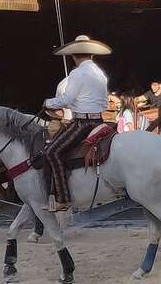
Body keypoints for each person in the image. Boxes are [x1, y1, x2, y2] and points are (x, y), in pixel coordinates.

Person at [43, 35, 111, 212]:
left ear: (73, 55)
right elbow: (104, 102)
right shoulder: (100, 73)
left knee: (52, 152)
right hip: (99, 120)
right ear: (92, 55)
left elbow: (67, 99)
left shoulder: (77, 73)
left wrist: (48, 103)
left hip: (83, 123)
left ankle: (63, 198)